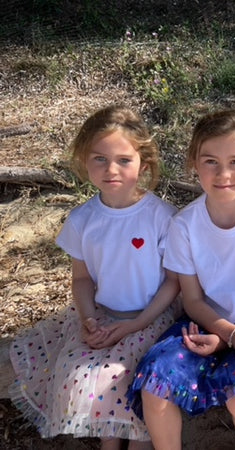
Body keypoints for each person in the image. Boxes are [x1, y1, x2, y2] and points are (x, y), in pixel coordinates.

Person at [9, 104, 181, 450]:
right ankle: (109, 438)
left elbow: (173, 282)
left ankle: (139, 438)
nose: (111, 169)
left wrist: (137, 324)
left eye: (123, 160)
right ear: (84, 161)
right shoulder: (82, 220)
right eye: (99, 159)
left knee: (122, 371)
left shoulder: (162, 217)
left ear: (143, 165)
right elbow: (82, 279)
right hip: (103, 314)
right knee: (78, 369)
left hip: (155, 316)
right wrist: (89, 318)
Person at [127, 110, 235, 450]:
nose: (223, 174)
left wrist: (232, 338)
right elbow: (191, 300)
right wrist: (224, 332)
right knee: (156, 380)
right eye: (210, 161)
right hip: (202, 320)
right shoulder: (184, 226)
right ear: (194, 162)